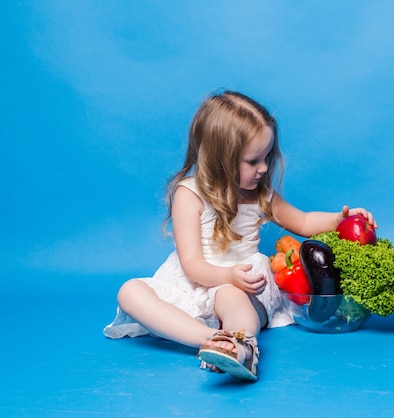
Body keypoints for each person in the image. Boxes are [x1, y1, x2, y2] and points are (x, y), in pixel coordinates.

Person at [103, 90, 377, 381]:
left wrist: (339, 219)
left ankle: (242, 345)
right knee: (129, 292)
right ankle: (212, 339)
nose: (263, 168)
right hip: (196, 281)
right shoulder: (189, 194)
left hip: (244, 284)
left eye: (267, 157)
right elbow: (192, 264)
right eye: (253, 160)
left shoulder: (259, 194)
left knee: (231, 296)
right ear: (221, 159)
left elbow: (304, 221)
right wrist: (225, 275)